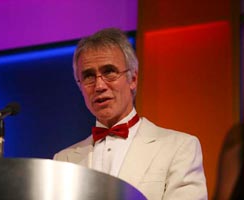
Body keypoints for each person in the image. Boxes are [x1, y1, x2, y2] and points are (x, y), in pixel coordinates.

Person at [53, 28, 207, 200]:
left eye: (109, 72)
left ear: (133, 79)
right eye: (89, 76)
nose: (99, 86)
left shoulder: (179, 148)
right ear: (79, 86)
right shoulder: (63, 160)